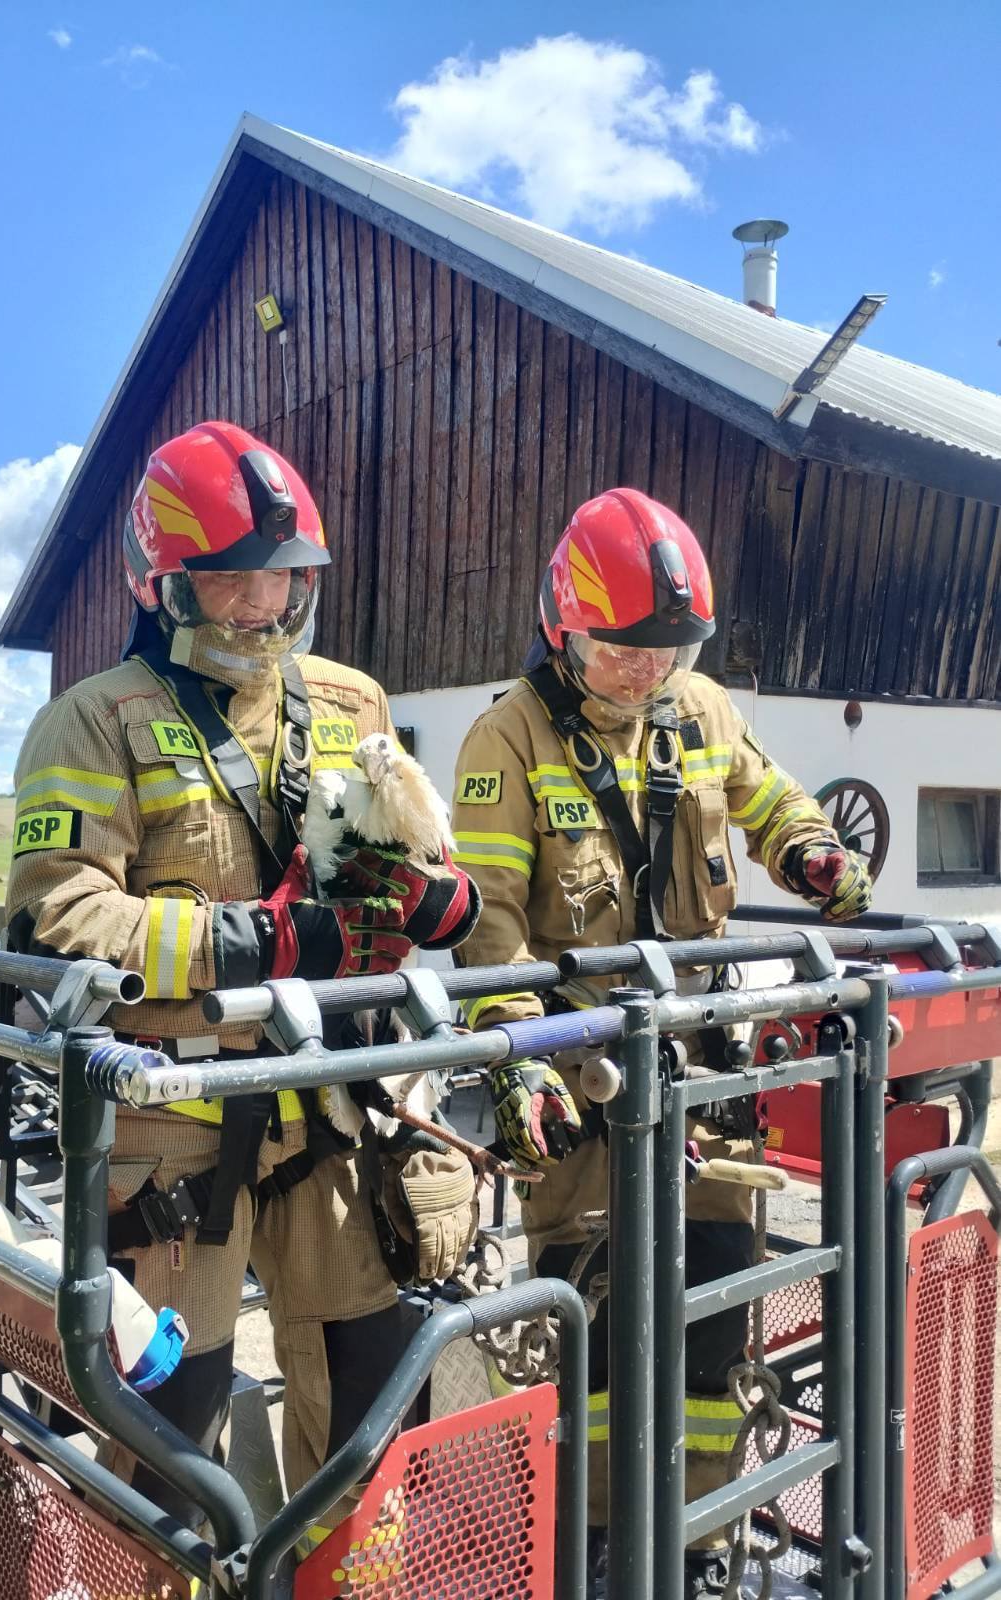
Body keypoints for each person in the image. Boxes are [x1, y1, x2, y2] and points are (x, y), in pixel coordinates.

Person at [5, 421, 479, 1537]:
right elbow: (56, 917)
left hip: (329, 1102)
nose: (261, 609)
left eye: (282, 581)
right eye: (228, 583)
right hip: (173, 1125)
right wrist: (257, 947)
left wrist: (429, 899)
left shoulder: (353, 704)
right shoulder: (92, 718)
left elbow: (420, 857)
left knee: (367, 1391)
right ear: (160, 584)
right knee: (170, 1428)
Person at [450, 487, 871, 1596]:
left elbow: (772, 803)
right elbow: (487, 919)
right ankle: (593, 1551)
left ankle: (691, 1538)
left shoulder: (704, 711)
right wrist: (515, 1051)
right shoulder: (506, 734)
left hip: (701, 1081)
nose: (644, 672)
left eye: (665, 649)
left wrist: (816, 856)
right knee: (592, 1324)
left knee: (714, 1305)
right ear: (561, 623)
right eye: (620, 649)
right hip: (582, 1086)